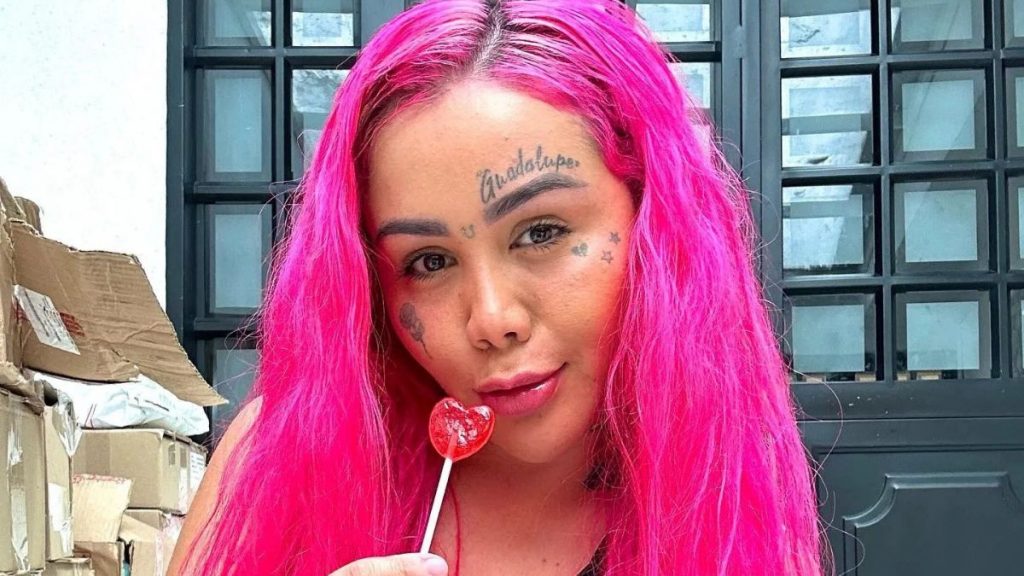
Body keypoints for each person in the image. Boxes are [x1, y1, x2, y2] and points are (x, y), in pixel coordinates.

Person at [168, 1, 833, 574]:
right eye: (429, 262)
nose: (491, 319)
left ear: (651, 224)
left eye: (541, 232)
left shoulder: (719, 476)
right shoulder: (280, 454)